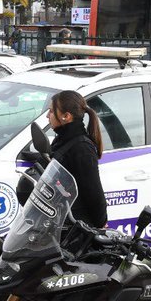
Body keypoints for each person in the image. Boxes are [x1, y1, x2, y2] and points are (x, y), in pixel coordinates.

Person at [47, 90, 107, 228]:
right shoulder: (62, 140)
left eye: (51, 111)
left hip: (78, 226)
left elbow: (94, 193)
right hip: (61, 222)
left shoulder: (82, 148)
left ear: (66, 116)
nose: (47, 116)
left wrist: (100, 224)